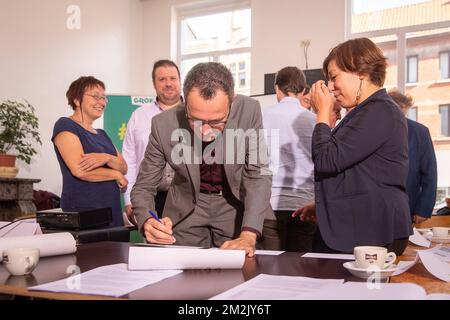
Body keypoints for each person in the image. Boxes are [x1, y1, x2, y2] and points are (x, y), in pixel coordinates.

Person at [131, 62, 272, 256]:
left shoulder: (249, 110)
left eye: (216, 122)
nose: (206, 132)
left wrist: (248, 234)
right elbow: (144, 186)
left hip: (234, 204)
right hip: (187, 209)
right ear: (186, 103)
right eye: (195, 120)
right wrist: (147, 220)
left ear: (232, 103)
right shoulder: (163, 124)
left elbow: (258, 174)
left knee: (239, 270)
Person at [293, 38, 413, 256]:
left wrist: (322, 113)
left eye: (334, 77)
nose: (330, 86)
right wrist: (325, 203)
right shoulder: (366, 112)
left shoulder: (380, 111)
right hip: (359, 227)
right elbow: (357, 172)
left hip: (372, 231)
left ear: (360, 72)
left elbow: (326, 160)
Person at [52, 76, 128, 227]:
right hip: (84, 210)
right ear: (76, 99)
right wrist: (115, 174)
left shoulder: (102, 134)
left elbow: (123, 166)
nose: (101, 102)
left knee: (116, 250)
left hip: (112, 210)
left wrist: (105, 158)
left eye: (104, 98)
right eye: (95, 97)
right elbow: (80, 170)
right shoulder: (66, 125)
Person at [261, 66, 316, 252]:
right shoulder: (314, 121)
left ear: (277, 88)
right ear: (303, 90)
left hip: (268, 203)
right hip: (304, 206)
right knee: (299, 269)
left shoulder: (261, 117)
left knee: (266, 267)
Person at [122, 60, 182, 225]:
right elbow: (130, 160)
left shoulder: (195, 114)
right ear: (154, 84)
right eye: (162, 79)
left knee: (188, 247)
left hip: (188, 197)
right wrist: (129, 199)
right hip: (151, 196)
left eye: (172, 78)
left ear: (180, 81)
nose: (168, 83)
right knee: (155, 245)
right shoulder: (139, 115)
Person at [388, 89, 437, 224]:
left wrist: (423, 209)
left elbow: (430, 174)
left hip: (408, 207)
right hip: (377, 208)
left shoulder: (420, 132)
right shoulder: (375, 129)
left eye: (402, 109)